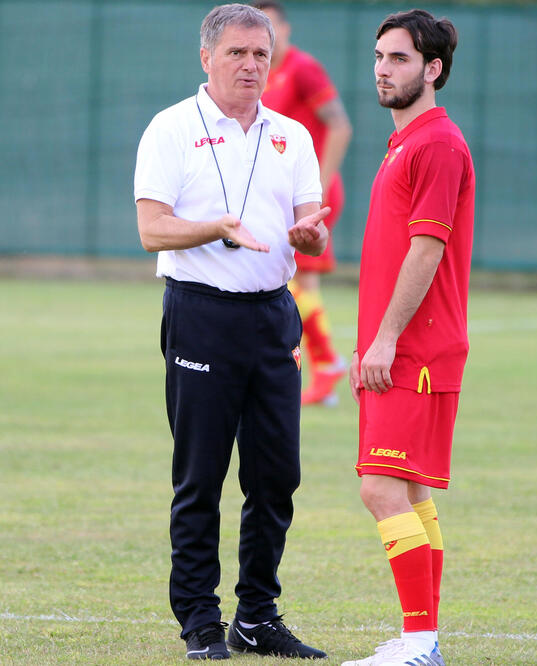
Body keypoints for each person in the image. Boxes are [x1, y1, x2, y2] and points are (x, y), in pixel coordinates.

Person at [134, 4, 329, 660]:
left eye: (261, 55)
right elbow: (151, 229)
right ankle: (198, 622)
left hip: (274, 314)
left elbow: (311, 220)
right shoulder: (170, 129)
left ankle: (257, 616)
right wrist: (215, 227)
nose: (251, 66)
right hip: (201, 314)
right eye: (238, 53)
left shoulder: (291, 135)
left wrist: (311, 234)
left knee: (277, 475)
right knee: (201, 475)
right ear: (207, 58)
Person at [342, 10, 474, 666]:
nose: (382, 69)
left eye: (398, 59)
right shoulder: (404, 143)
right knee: (410, 487)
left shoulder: (436, 144)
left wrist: (387, 339)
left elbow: (427, 249)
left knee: (380, 487)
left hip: (416, 346)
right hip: (399, 344)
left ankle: (421, 643)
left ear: (433, 69)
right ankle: (421, 636)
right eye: (379, 57)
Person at [255, 1, 353, 407]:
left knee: (301, 284)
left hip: (309, 197)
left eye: (272, 26)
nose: (267, 36)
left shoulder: (302, 67)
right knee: (293, 284)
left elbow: (340, 125)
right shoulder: (260, 74)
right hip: (278, 198)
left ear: (286, 27)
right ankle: (324, 365)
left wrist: (323, 184)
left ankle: (327, 364)